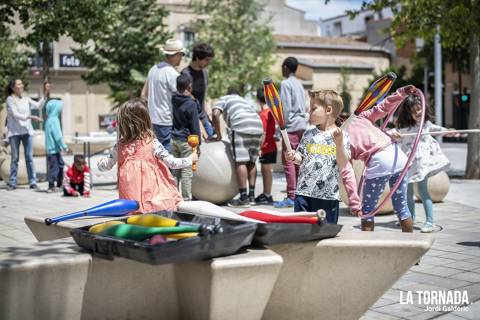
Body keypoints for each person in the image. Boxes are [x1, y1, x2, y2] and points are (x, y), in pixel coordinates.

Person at [333, 85, 417, 232]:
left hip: (380, 160)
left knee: (368, 212)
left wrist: (354, 203)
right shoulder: (359, 118)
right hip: (398, 155)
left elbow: (347, 171)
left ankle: (367, 250)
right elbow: (383, 107)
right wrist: (402, 92)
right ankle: (413, 249)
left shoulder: (338, 139)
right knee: (402, 206)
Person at [97, 98, 198, 214]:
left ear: (124, 124)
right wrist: (191, 159)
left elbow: (106, 166)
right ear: (145, 121)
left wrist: (100, 164)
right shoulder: (152, 143)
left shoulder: (119, 146)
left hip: (131, 205)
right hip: (154, 200)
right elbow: (173, 163)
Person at [285, 90, 354, 223]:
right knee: (302, 229)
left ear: (328, 110)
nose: (308, 113)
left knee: (325, 233)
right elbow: (301, 158)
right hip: (303, 193)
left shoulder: (342, 136)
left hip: (327, 196)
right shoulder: (308, 134)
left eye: (313, 109)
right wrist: (294, 157)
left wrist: (339, 143)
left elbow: (343, 163)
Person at [394, 93, 452, 233]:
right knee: (407, 194)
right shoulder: (404, 129)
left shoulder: (426, 126)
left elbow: (439, 130)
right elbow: (394, 135)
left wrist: (449, 132)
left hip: (421, 166)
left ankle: (430, 222)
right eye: (414, 111)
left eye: (419, 109)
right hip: (407, 165)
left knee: (423, 192)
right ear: (408, 114)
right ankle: (410, 218)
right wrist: (394, 135)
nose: (418, 113)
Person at [212, 88, 264, 207]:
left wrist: (218, 135)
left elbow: (215, 114)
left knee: (240, 161)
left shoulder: (225, 98)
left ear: (228, 94)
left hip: (241, 125)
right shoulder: (245, 101)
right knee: (251, 162)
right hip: (257, 126)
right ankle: (251, 197)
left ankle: (243, 198)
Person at [275, 57, 308, 208]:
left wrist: (281, 127)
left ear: (286, 68)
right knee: (298, 161)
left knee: (288, 161)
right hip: (302, 125)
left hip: (291, 126)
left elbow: (285, 108)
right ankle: (299, 193)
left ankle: (292, 196)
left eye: (282, 67)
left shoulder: (285, 83)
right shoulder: (300, 84)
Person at [142, 38, 186, 152]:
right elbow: (182, 98)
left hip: (152, 120)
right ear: (175, 55)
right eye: (181, 54)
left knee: (156, 154)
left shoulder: (153, 69)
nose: (182, 57)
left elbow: (143, 95)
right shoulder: (172, 73)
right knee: (166, 156)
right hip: (166, 121)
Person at [5, 79, 46, 190]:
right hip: (15, 132)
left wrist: (45, 94)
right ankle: (12, 182)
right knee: (15, 158)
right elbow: (15, 114)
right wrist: (31, 117)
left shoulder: (26, 99)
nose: (21, 85)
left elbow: (38, 106)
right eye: (19, 84)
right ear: (13, 87)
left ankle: (32, 181)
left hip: (27, 132)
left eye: (22, 84)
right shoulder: (10, 99)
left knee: (29, 157)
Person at [171, 73, 201, 200]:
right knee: (186, 171)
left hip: (173, 139)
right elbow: (195, 125)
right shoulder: (191, 103)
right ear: (189, 86)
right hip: (186, 141)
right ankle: (186, 199)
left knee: (174, 171)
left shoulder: (172, 99)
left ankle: (173, 197)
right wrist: (198, 144)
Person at [181, 43, 215, 140]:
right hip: (190, 122)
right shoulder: (185, 74)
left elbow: (205, 96)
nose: (208, 63)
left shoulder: (204, 73)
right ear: (197, 58)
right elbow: (186, 103)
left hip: (203, 118)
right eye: (206, 60)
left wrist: (209, 114)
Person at [255, 88, 277, 205]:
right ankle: (266, 193)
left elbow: (263, 133)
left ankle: (267, 195)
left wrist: (259, 148)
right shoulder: (271, 112)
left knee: (266, 171)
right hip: (271, 145)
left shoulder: (263, 114)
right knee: (266, 170)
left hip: (266, 147)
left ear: (258, 99)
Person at [44, 99, 68, 193]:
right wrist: (64, 147)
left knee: (60, 165)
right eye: (59, 108)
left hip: (53, 149)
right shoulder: (54, 120)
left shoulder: (49, 119)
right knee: (55, 168)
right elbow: (58, 136)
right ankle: (51, 186)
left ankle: (59, 184)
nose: (60, 110)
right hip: (53, 150)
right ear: (55, 109)